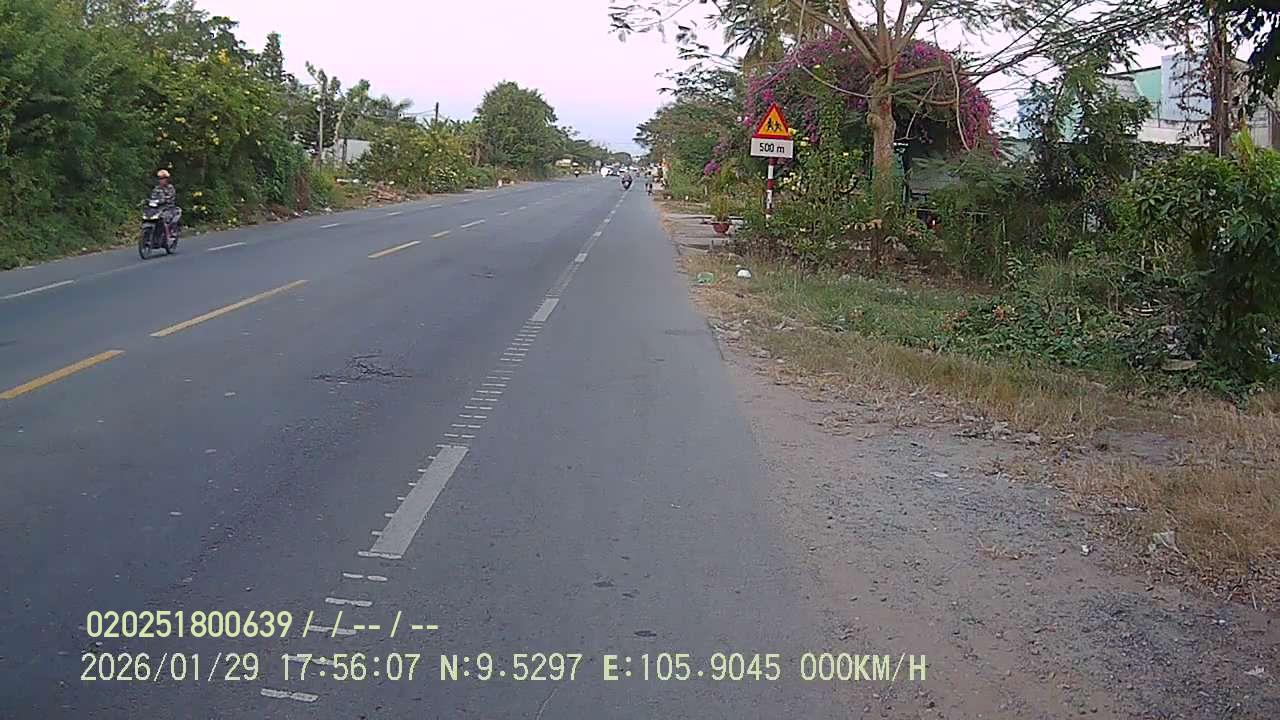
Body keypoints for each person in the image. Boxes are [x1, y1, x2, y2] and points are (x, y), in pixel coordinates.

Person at [150, 169, 181, 239]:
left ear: (167, 179)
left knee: (165, 219)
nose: (161, 180)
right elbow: (153, 197)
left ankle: (170, 234)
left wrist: (163, 200)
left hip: (168, 208)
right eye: (160, 178)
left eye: (163, 178)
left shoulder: (170, 188)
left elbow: (171, 197)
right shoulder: (156, 188)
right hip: (157, 208)